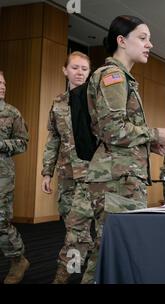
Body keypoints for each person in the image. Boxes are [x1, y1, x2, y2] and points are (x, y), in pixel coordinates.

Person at [81, 15, 165, 283]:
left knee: (114, 250)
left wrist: (151, 143)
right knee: (108, 251)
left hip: (123, 178)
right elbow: (112, 130)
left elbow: (118, 130)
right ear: (121, 41)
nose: (150, 44)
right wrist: (154, 132)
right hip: (115, 181)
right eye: (143, 38)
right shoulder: (113, 76)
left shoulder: (123, 78)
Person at [41, 51, 94, 283]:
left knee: (76, 227)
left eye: (84, 68)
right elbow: (53, 139)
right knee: (70, 222)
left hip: (91, 174)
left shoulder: (96, 100)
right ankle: (89, 255)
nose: (80, 72)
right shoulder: (58, 103)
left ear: (89, 72)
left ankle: (63, 275)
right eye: (75, 67)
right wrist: (46, 172)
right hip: (66, 174)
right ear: (65, 70)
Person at [0, 70, 30, 284]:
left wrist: (1, 144)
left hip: (2, 176)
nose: (2, 86)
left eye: (3, 82)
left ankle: (18, 259)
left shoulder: (12, 113)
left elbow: (22, 142)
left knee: (0, 221)